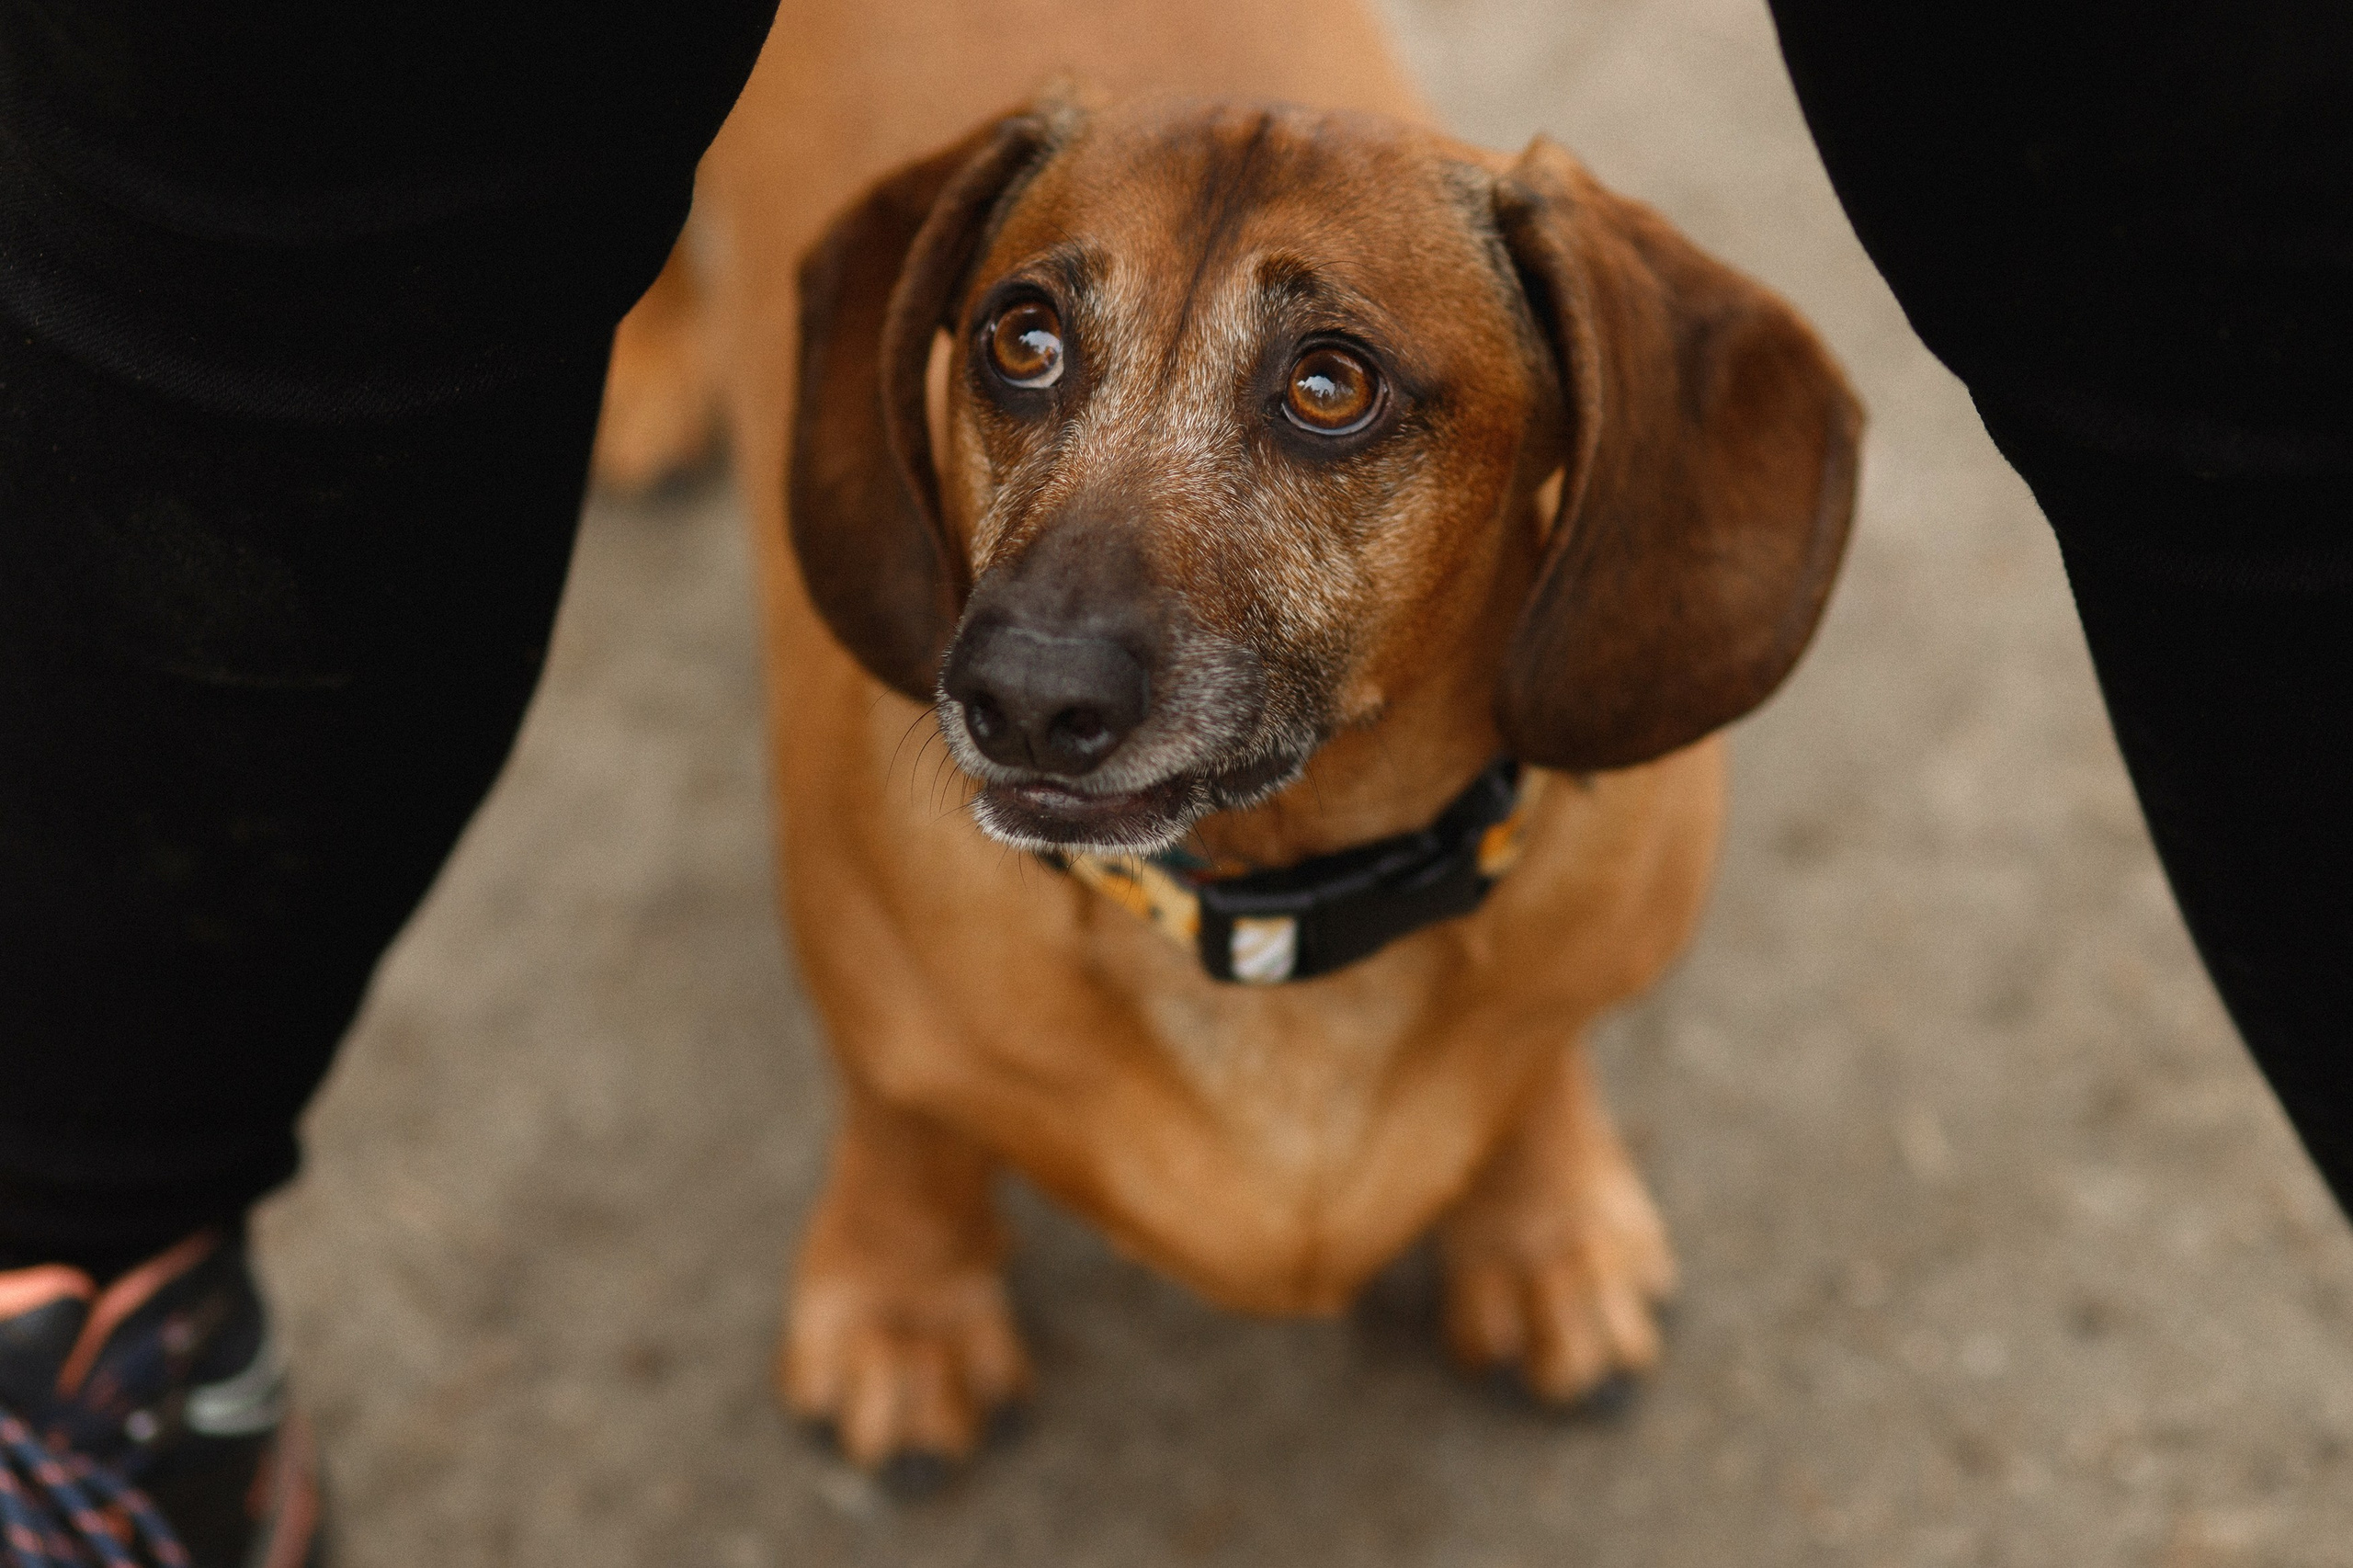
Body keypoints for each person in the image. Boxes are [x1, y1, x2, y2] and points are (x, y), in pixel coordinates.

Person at [3, 2, 2346, 1562]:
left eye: (1326, 399)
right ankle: (123, 1272)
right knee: (415, 127)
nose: (1018, 660)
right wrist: (909, 1207)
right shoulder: (909, 737)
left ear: (1580, 468)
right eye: (1028, 353)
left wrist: (1525, 1128)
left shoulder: (1620, 835)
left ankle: (1517, 1148)